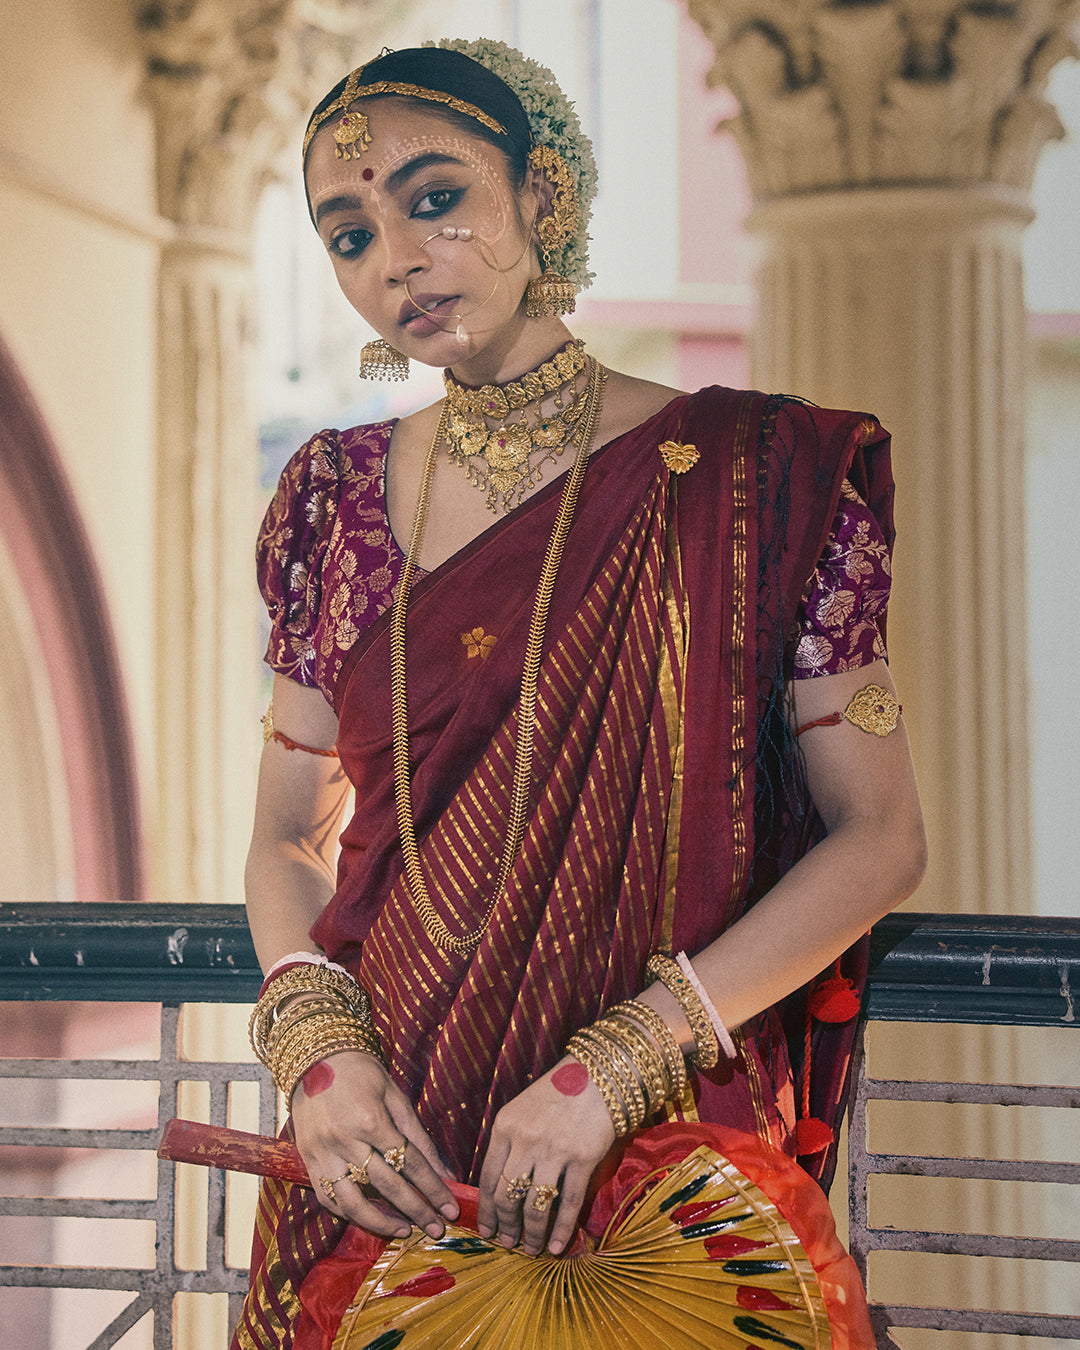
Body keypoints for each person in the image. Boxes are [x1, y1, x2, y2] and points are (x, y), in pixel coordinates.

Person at [235, 37, 926, 1350]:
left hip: (655, 1166)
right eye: (348, 230)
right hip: (385, 1154)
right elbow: (284, 833)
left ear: (543, 195)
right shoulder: (328, 500)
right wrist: (314, 1052)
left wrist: (615, 1066)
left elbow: (881, 836)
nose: (392, 256)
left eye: (435, 197)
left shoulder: (762, 473)